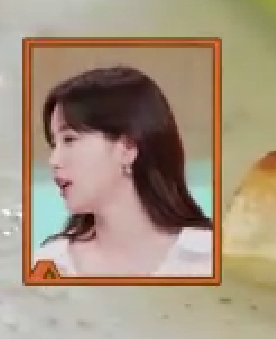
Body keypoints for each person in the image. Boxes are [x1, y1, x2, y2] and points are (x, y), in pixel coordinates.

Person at [32, 65, 214, 277]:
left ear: (127, 148)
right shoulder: (48, 265)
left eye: (69, 139)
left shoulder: (208, 258)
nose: (53, 160)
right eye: (54, 144)